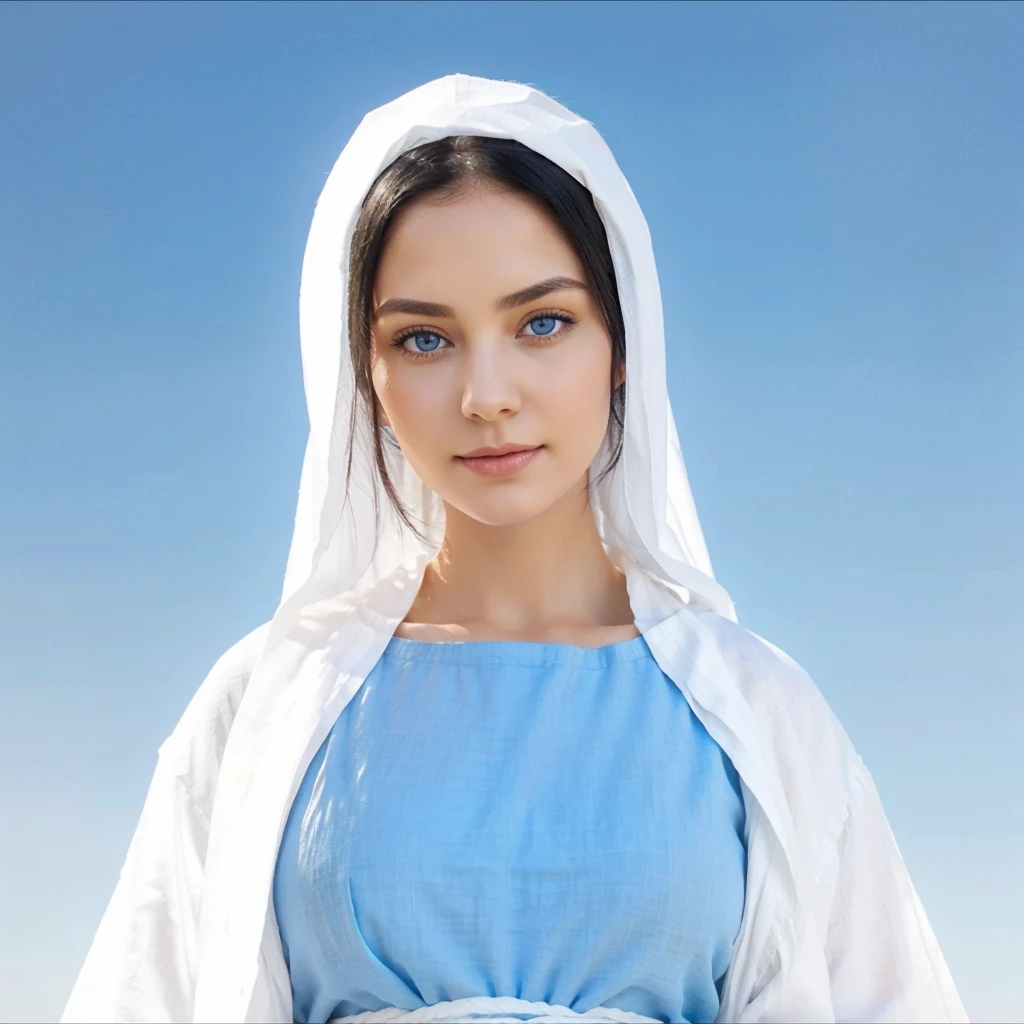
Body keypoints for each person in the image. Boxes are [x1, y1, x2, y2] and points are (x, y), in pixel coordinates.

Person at [60, 74, 968, 1024]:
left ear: (623, 347)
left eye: (542, 323)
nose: (485, 394)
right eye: (423, 339)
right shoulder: (265, 704)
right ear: (363, 376)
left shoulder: (758, 711)